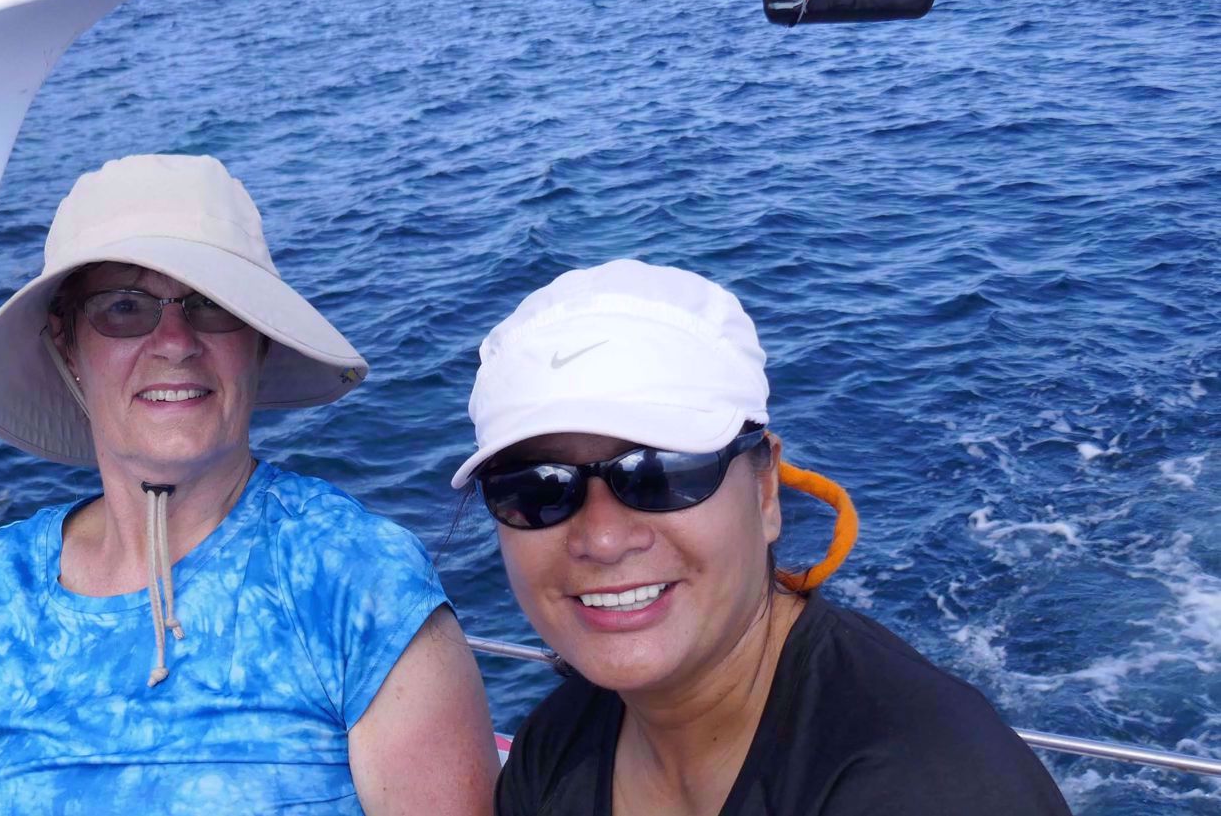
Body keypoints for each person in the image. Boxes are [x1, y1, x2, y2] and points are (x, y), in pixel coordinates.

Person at [0, 155, 498, 815]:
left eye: (210, 305)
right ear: (67, 343)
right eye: (123, 307)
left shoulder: (357, 580)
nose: (174, 340)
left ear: (255, 339)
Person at [455, 259, 1072, 815]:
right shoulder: (553, 751)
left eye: (663, 474)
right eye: (535, 490)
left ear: (766, 491)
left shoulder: (926, 788)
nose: (604, 539)